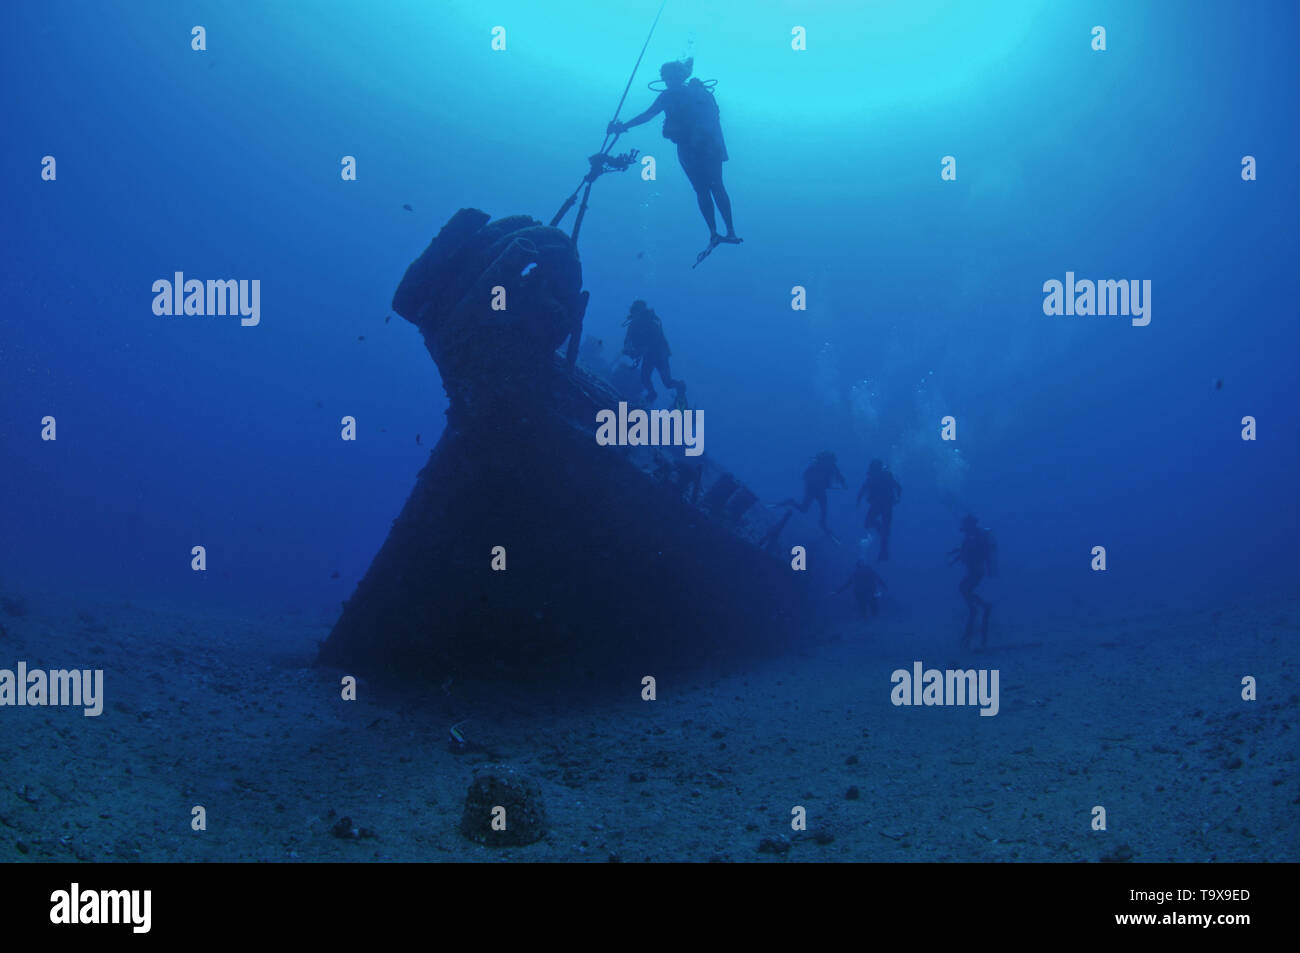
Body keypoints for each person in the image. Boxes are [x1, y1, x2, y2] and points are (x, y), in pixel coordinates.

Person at [608, 58, 740, 251]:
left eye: (671, 77)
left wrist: (622, 127)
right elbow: (648, 115)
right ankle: (722, 232)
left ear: (679, 76)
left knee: (709, 189)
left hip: (697, 148)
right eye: (667, 78)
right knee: (710, 188)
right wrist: (623, 127)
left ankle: (722, 232)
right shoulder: (685, 94)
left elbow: (648, 115)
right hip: (704, 147)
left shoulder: (671, 96)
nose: (669, 81)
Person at [621, 300, 685, 404]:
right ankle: (652, 394)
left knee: (667, 383)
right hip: (648, 356)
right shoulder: (633, 325)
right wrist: (628, 348)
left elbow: (654, 340)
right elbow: (627, 339)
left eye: (637, 312)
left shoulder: (654, 322)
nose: (635, 315)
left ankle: (680, 386)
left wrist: (638, 351)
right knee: (645, 378)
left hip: (660, 356)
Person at [947, 514, 996, 649]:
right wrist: (956, 556)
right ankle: (980, 607)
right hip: (975, 571)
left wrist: (956, 558)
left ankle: (980, 607)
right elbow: (965, 551)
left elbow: (969, 552)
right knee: (964, 589)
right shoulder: (972, 537)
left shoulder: (975, 538)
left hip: (976, 572)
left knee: (964, 589)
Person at [777, 451, 845, 539]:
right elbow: (805, 475)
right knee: (804, 509)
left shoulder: (832, 466)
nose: (832, 463)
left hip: (821, 491)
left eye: (833, 462)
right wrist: (814, 483)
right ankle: (791, 502)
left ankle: (822, 524)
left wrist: (843, 483)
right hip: (811, 490)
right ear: (826, 460)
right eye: (831, 461)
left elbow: (839, 476)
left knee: (824, 509)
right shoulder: (816, 465)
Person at [857, 459, 902, 560]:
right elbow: (862, 489)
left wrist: (898, 498)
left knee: (884, 529)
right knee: (869, 524)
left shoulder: (886, 476)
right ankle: (880, 530)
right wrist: (858, 500)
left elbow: (898, 487)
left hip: (886, 505)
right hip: (878, 505)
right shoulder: (871, 477)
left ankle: (883, 551)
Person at [834, 546, 888, 620]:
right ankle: (871, 619)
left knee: (864, 606)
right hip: (867, 591)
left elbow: (848, 583)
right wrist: (884, 586)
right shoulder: (865, 570)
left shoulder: (857, 571)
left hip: (863, 591)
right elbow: (877, 578)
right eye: (862, 562)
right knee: (869, 605)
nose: (863, 564)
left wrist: (837, 592)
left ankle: (868, 619)